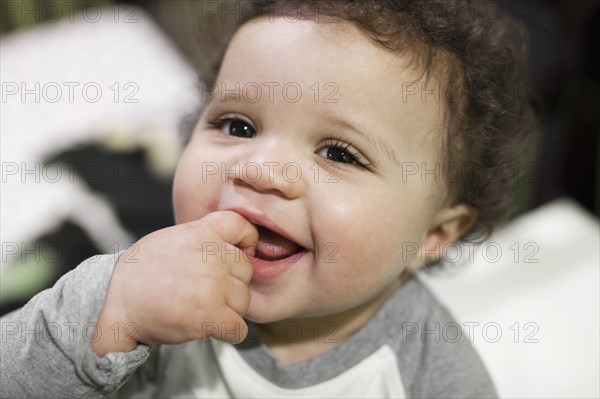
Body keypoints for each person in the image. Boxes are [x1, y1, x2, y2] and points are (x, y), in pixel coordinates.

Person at [0, 0, 534, 397]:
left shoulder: (431, 374)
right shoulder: (153, 288)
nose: (259, 169)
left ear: (433, 236)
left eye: (339, 154)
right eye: (237, 125)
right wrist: (112, 309)